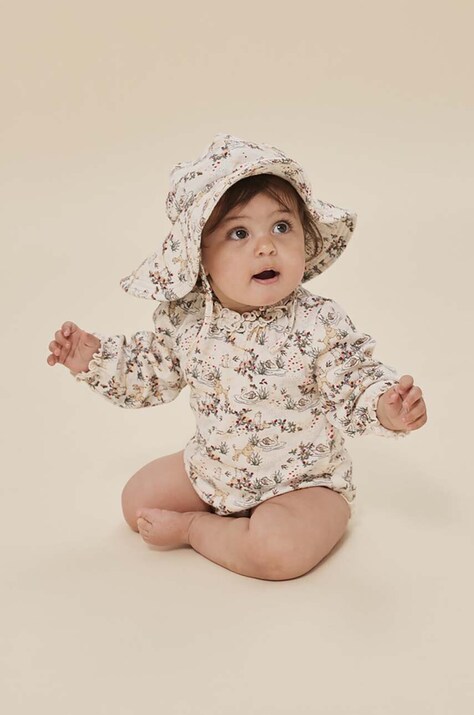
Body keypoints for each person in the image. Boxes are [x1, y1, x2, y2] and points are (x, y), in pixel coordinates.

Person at [46, 133, 427, 581]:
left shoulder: (317, 323)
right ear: (199, 256)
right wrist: (93, 358)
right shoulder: (188, 320)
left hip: (304, 483)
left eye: (281, 227)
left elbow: (354, 378)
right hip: (216, 469)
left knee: (278, 551)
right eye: (239, 233)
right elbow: (151, 373)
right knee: (137, 502)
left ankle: (197, 529)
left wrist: (386, 405)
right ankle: (227, 514)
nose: (265, 246)